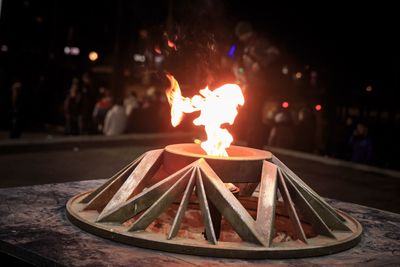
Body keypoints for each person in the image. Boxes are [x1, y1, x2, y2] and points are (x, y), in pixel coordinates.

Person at [234, 21, 281, 148]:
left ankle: (256, 145)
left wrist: (261, 63)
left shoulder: (260, 42)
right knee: (250, 116)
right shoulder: (247, 46)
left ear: (246, 33)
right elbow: (243, 66)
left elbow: (275, 53)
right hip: (251, 86)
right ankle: (252, 144)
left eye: (241, 35)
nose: (240, 39)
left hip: (260, 87)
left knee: (255, 117)